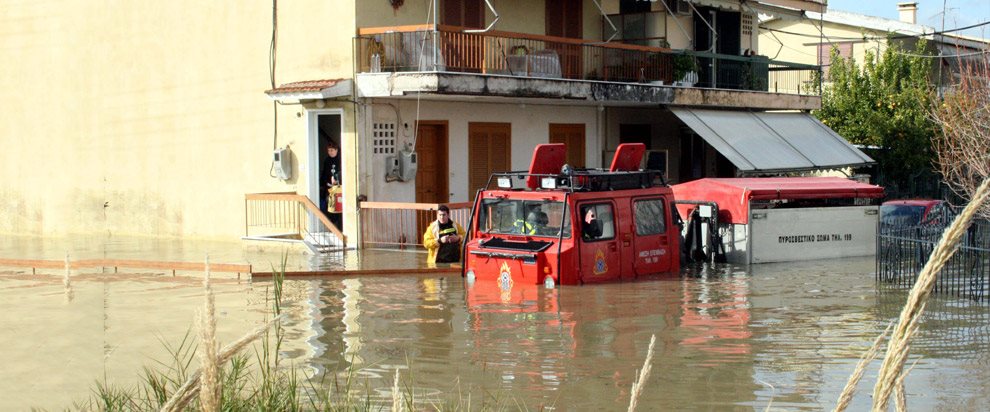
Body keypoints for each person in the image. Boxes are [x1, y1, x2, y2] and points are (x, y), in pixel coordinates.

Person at [320, 139, 342, 228]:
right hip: (329, 189)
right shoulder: (327, 160)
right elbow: (324, 173)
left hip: (339, 189)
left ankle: (340, 228)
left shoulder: (341, 160)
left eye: (332, 150)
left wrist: (337, 179)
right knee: (329, 207)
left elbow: (343, 172)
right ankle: (332, 226)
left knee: (339, 208)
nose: (330, 152)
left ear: (336, 150)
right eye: (329, 150)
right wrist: (323, 183)